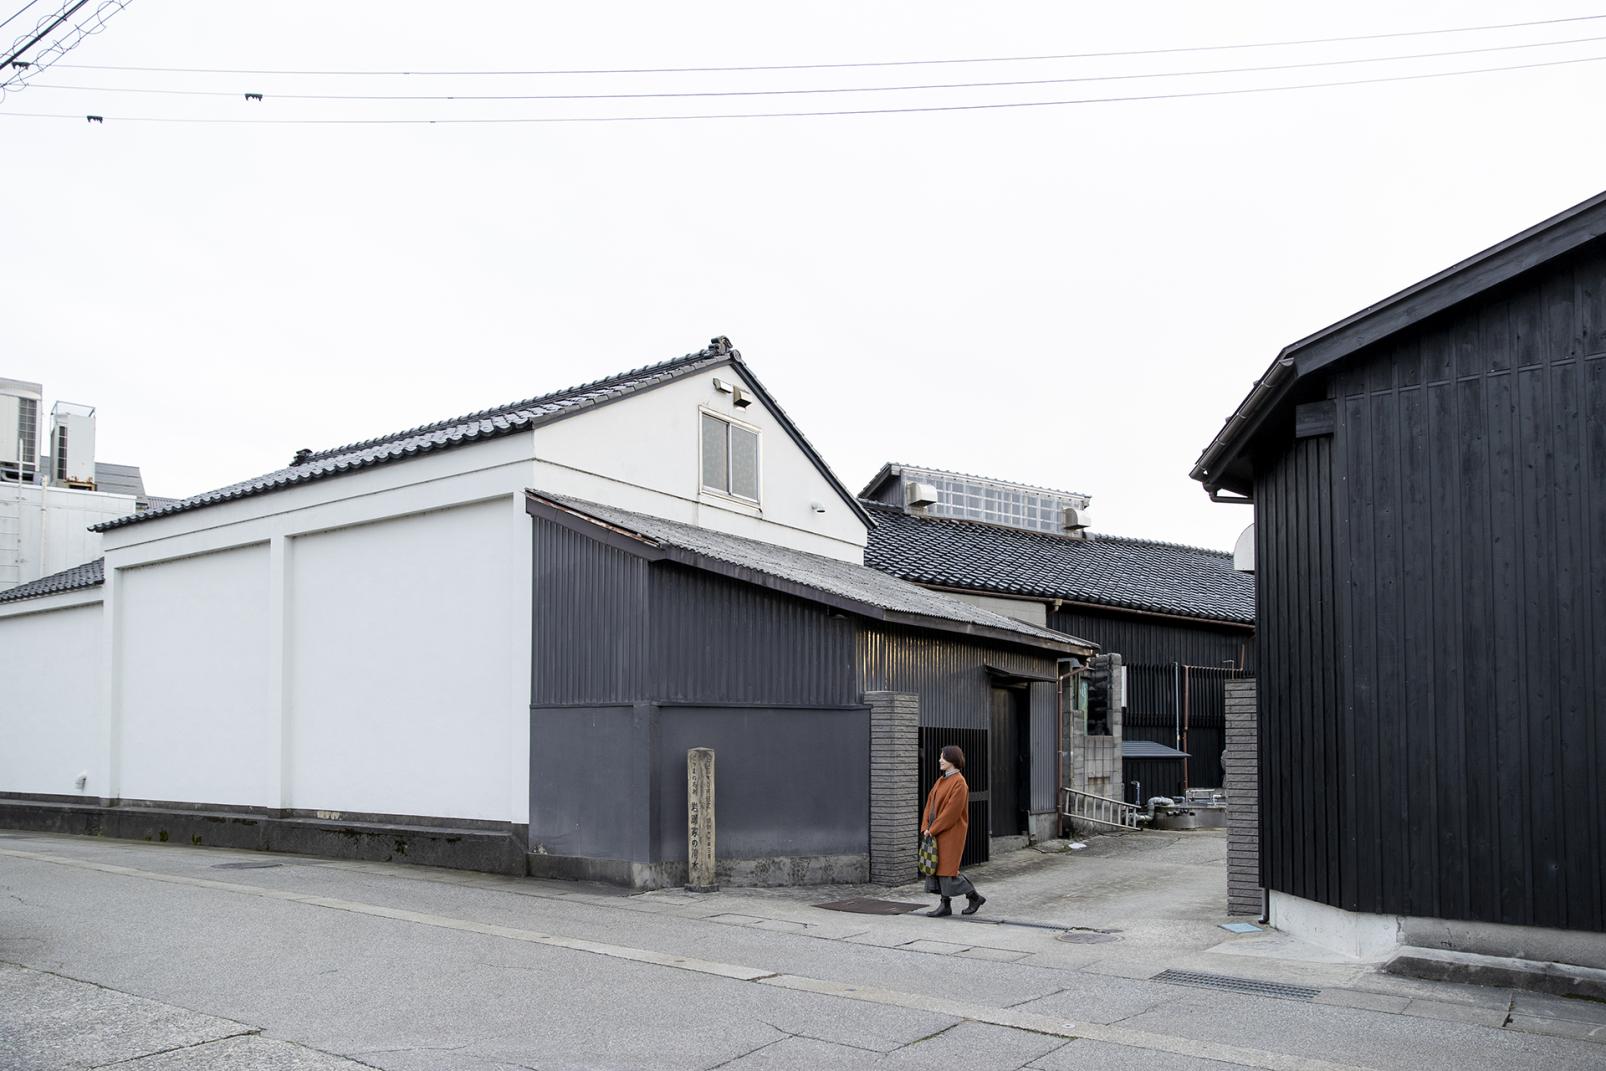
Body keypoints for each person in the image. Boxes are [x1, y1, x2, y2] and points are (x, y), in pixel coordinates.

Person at [920, 744, 985, 917]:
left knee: (947, 871)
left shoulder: (959, 783)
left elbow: (951, 813)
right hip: (936, 832)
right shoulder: (941, 780)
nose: (940, 759)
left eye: (943, 756)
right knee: (939, 868)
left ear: (952, 760)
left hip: (950, 832)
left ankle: (972, 896)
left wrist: (932, 829)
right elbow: (929, 805)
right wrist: (926, 826)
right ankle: (948, 904)